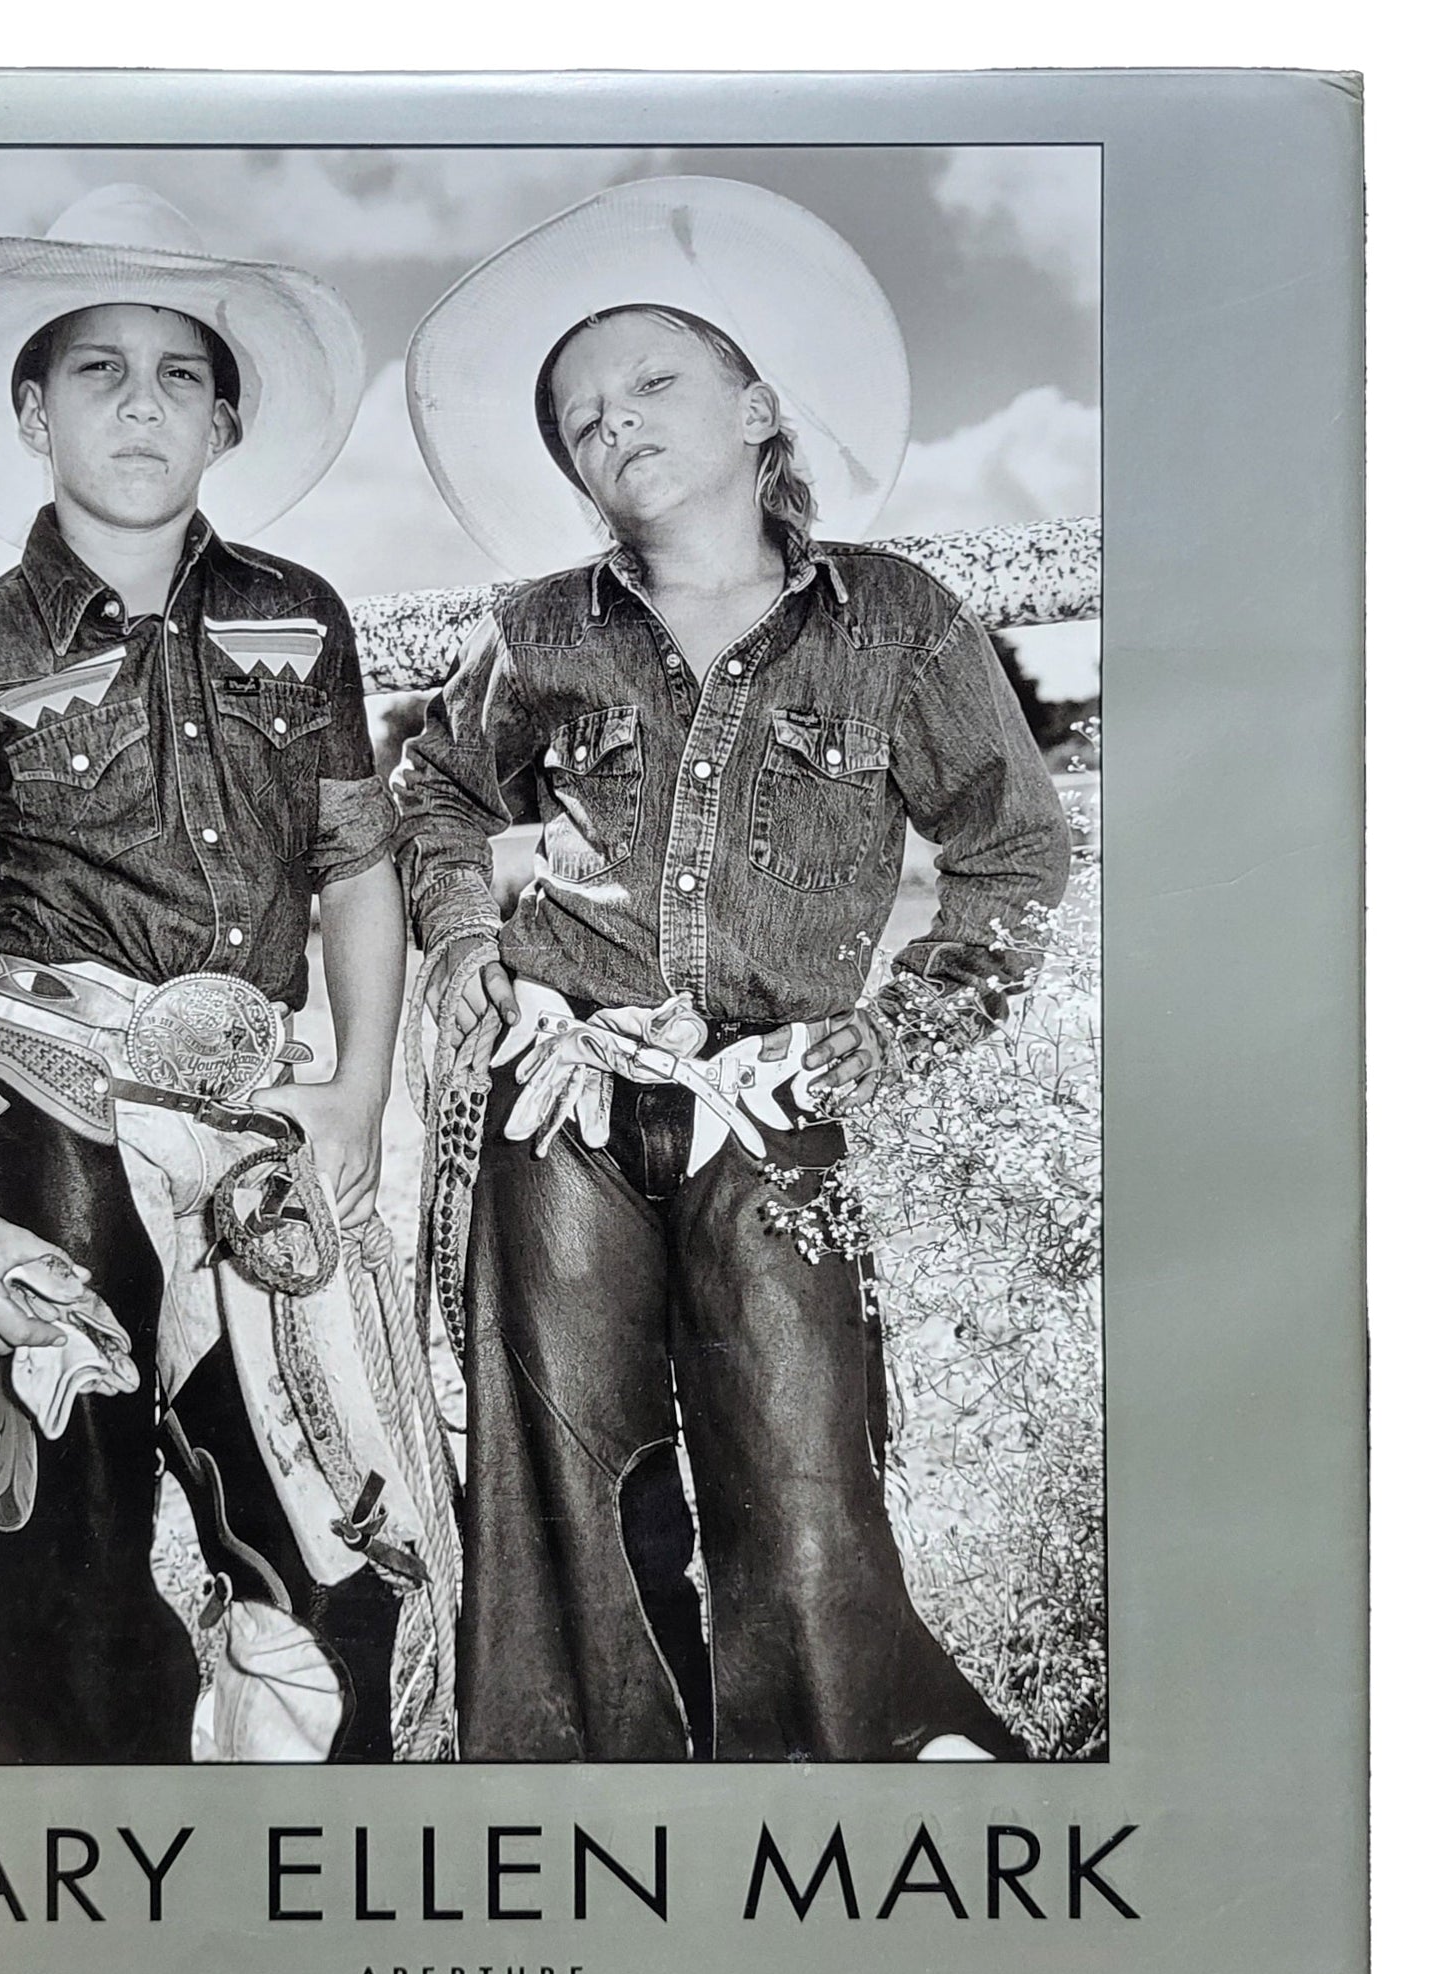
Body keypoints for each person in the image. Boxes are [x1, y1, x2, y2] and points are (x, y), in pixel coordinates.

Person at [394, 176, 1071, 1762]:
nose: (611, 421)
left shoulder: (892, 620)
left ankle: (831, 1770)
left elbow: (1011, 848)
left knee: (799, 1465)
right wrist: (471, 939)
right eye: (580, 418)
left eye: (651, 380)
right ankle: (584, 1796)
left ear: (758, 407)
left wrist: (891, 1036)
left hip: (774, 1100)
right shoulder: (538, 629)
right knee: (559, 1475)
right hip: (559, 1097)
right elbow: (434, 792)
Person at [0, 185, 434, 1764]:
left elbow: (355, 866)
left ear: (224, 422)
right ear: (33, 412)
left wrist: (357, 1089)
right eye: (97, 370)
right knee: (43, 1549)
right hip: (50, 1122)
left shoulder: (297, 619)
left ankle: (290, 1858)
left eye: (180, 374)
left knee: (326, 1522)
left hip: (256, 1130)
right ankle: (60, 1876)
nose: (140, 403)